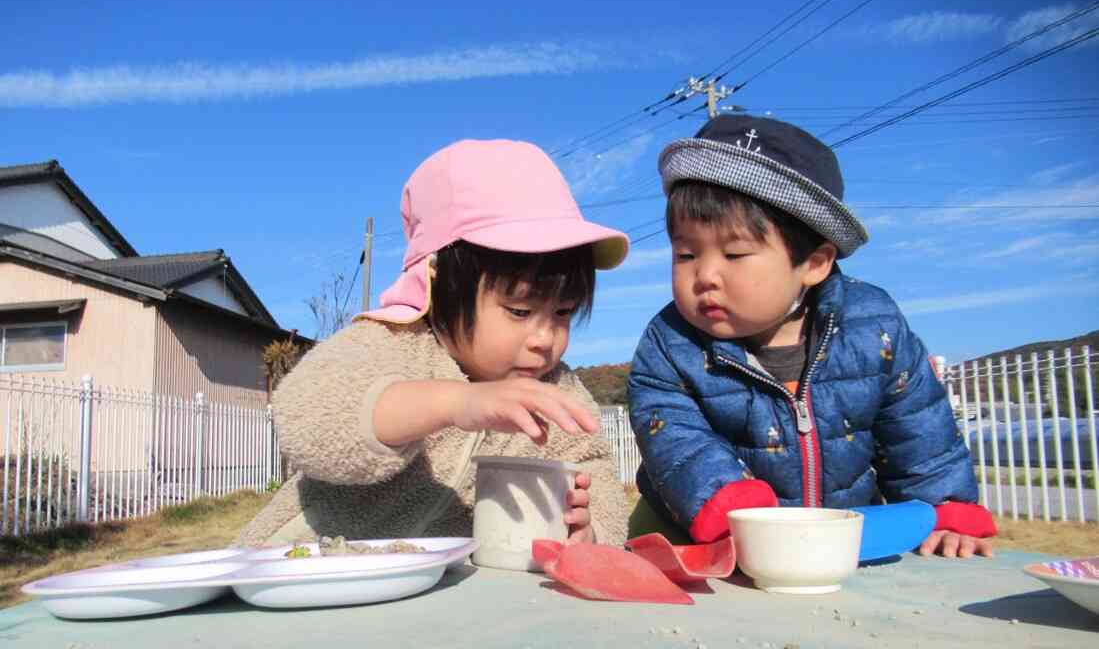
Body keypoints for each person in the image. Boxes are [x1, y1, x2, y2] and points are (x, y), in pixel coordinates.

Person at [627, 115, 995, 558]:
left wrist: (946, 507)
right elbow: (677, 441)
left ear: (815, 263)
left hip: (842, 543)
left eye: (735, 253)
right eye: (685, 253)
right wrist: (735, 510)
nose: (704, 275)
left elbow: (918, 428)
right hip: (701, 537)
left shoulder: (873, 326)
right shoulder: (670, 343)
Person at [237, 139, 632, 548]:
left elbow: (593, 468)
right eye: (519, 310)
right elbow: (309, 421)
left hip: (439, 600)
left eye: (564, 312)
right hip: (295, 573)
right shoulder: (391, 342)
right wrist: (454, 403)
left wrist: (590, 531)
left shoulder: (558, 392)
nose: (545, 338)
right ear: (437, 283)